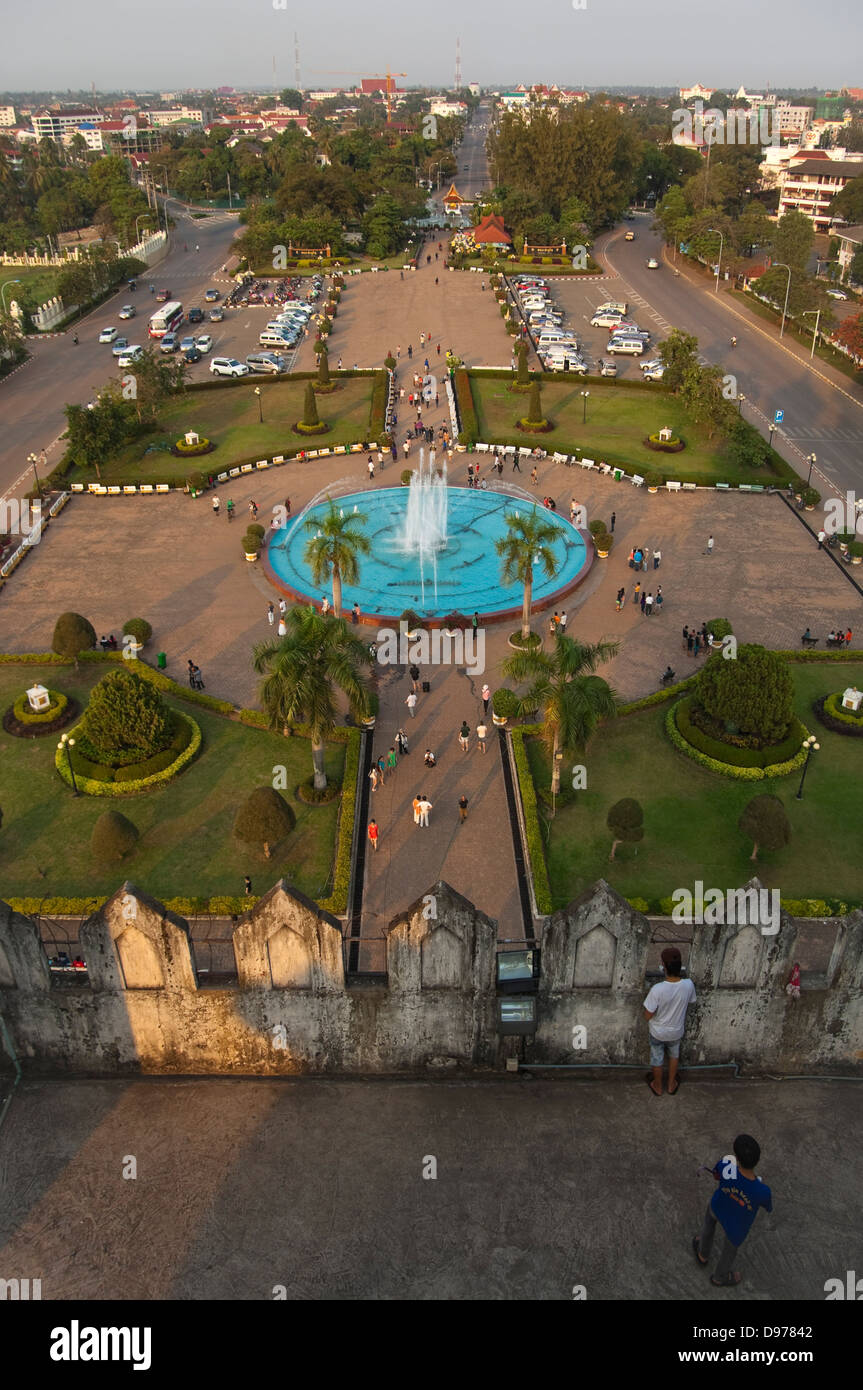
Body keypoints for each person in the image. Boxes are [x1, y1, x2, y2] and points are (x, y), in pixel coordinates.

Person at [694, 1134, 772, 1288]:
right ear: (757, 1160)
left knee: (708, 1227)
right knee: (729, 1252)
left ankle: (703, 1253)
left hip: (718, 1206)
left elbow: (717, 1176)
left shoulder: (724, 1165)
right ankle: (719, 1277)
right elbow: (768, 1207)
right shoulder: (762, 1190)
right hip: (738, 1225)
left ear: (736, 1156)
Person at [643, 947, 696, 1096]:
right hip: (676, 1031)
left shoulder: (657, 989)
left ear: (664, 967)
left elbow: (647, 1015)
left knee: (656, 1057)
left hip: (658, 1032)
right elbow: (691, 1001)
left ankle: (657, 1086)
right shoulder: (688, 985)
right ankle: (672, 1084)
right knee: (674, 1055)